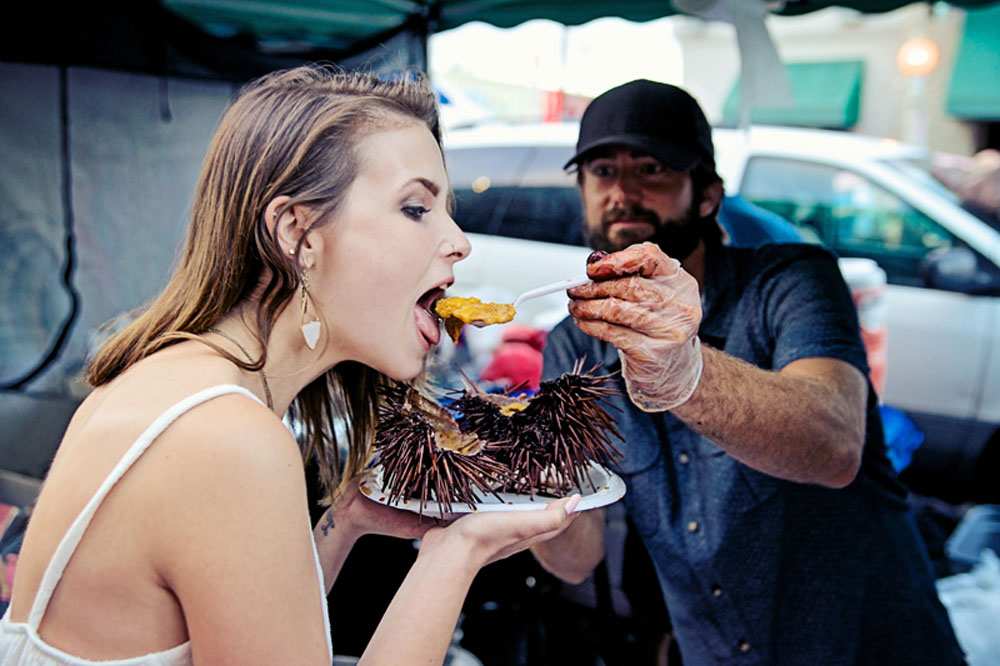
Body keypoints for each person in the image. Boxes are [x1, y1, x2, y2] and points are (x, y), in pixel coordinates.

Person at [0, 66, 580, 666]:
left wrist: (345, 523)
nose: (459, 240)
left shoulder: (177, 379)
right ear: (297, 233)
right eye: (415, 208)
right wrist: (455, 554)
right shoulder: (226, 440)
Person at [530, 79, 965, 665]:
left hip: (865, 644)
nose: (623, 193)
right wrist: (526, 476)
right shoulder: (571, 345)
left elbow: (833, 444)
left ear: (707, 195)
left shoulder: (792, 281)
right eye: (602, 172)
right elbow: (576, 558)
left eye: (652, 168)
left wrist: (683, 370)